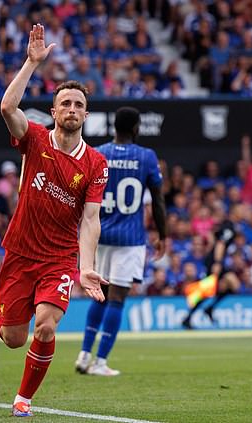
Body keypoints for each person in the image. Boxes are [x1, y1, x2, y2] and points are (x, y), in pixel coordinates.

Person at [0, 24, 109, 418]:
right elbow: (7, 108)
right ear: (54, 111)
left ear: (85, 114)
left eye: (78, 104)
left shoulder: (95, 163)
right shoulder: (36, 139)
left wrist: (86, 267)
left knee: (46, 327)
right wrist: (31, 63)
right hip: (21, 252)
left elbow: (91, 219)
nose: (72, 110)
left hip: (59, 259)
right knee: (12, 338)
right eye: (65, 104)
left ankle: (22, 400)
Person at [74, 106, 167, 377]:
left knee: (99, 296)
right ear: (136, 128)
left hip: (99, 234)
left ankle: (83, 353)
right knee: (116, 300)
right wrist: (163, 234)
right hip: (130, 238)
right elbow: (158, 200)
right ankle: (100, 361)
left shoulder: (99, 153)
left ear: (114, 127)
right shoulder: (146, 157)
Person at [181, 206, 242, 329]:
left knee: (221, 288)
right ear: (236, 213)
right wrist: (217, 263)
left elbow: (213, 240)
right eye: (243, 211)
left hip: (214, 260)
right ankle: (197, 313)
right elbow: (220, 243)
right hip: (215, 261)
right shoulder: (229, 227)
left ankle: (202, 311)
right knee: (210, 290)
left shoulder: (226, 226)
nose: (245, 213)